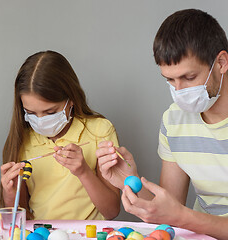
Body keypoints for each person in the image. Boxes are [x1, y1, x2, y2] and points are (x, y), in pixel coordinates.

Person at [96, 9, 228, 239]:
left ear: (221, 62)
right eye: (170, 80)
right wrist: (131, 181)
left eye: (189, 78)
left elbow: (178, 215)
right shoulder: (174, 119)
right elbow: (169, 208)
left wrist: (184, 217)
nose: (180, 91)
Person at [0, 50, 120, 220]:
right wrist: (10, 193)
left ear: (71, 100)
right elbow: (19, 220)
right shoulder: (22, 141)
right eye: (31, 113)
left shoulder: (99, 131)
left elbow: (112, 211)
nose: (40, 121)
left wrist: (83, 172)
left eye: (50, 112)